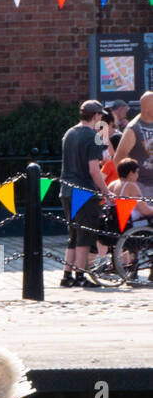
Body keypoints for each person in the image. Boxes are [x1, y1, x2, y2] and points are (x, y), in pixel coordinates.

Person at [59, 100, 112, 289]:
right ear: (97, 116)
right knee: (85, 235)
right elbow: (93, 169)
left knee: (73, 234)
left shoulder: (69, 133)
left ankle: (67, 275)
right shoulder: (93, 136)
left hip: (66, 190)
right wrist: (106, 192)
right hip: (83, 190)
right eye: (101, 116)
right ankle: (80, 275)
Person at [110, 157, 153, 281]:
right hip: (134, 224)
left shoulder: (113, 184)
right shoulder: (131, 186)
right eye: (137, 172)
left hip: (117, 224)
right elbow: (144, 210)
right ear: (130, 173)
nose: (138, 175)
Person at [112, 91, 153, 202]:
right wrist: (126, 184)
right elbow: (118, 158)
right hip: (141, 185)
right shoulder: (133, 128)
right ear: (146, 108)